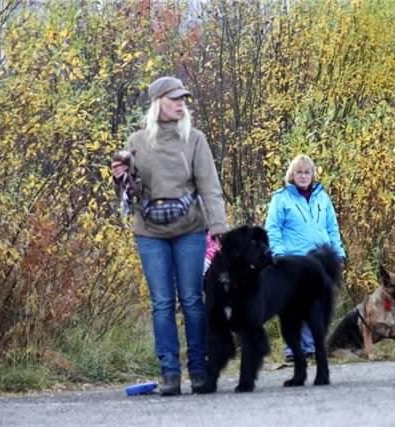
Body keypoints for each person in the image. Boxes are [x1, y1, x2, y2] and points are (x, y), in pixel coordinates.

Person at [110, 76, 229, 396]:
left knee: (192, 300)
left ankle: (200, 371)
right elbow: (127, 192)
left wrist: (219, 229)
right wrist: (120, 177)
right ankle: (170, 374)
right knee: (161, 302)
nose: (181, 104)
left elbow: (210, 185)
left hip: (190, 230)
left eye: (183, 99)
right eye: (174, 98)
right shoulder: (136, 141)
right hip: (149, 232)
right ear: (157, 102)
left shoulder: (195, 139)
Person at [264, 154, 346, 362]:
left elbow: (332, 228)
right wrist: (278, 254)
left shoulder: (322, 197)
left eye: (307, 172)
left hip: (321, 261)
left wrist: (338, 253)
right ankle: (294, 350)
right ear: (292, 174)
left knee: (317, 305)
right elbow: (273, 229)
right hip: (294, 261)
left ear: (312, 174)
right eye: (299, 172)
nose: (303, 176)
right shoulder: (281, 198)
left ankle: (312, 348)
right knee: (293, 306)